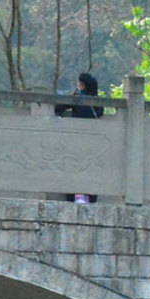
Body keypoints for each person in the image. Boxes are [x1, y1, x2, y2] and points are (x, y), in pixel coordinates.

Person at [57, 72, 102, 203]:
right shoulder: (98, 102)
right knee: (91, 169)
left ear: (82, 85)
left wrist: (74, 95)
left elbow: (58, 107)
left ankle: (72, 196)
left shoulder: (78, 98)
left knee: (72, 167)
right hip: (93, 142)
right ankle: (91, 198)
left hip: (76, 139)